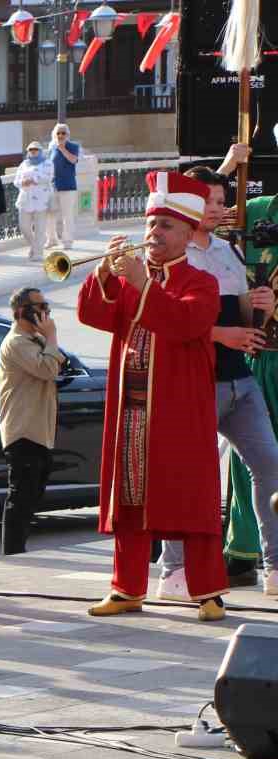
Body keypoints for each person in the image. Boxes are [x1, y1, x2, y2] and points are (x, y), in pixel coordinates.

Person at [78, 170, 228, 621]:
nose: (152, 234)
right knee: (128, 495)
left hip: (180, 410)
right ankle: (126, 588)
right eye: (150, 225)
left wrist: (142, 284)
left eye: (164, 226)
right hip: (131, 409)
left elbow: (184, 325)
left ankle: (209, 592)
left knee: (191, 496)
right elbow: (92, 315)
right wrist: (103, 276)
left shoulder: (202, 283)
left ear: (187, 233)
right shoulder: (130, 279)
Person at [155, 164, 278, 599]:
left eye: (222, 202)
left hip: (239, 380)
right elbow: (162, 321)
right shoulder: (171, 251)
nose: (217, 209)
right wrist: (221, 334)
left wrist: (257, 306)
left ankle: (274, 568)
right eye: (208, 201)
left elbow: (241, 316)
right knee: (188, 474)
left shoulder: (229, 250)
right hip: (194, 381)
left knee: (270, 466)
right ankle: (174, 568)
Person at [218, 143, 278, 594]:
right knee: (248, 463)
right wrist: (228, 165)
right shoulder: (256, 208)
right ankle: (242, 552)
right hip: (255, 357)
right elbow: (200, 220)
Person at [0, 286, 68, 555]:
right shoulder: (16, 342)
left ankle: (18, 549)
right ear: (20, 312)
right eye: (39, 308)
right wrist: (52, 336)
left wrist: (48, 341)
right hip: (23, 431)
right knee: (20, 497)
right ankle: (13, 554)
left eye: (46, 307)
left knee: (31, 497)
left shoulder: (36, 341)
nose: (45, 314)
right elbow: (48, 368)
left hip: (39, 431)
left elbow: (59, 362)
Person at [15, 142, 55, 262]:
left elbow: (49, 177)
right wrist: (23, 183)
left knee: (40, 228)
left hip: (41, 199)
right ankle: (34, 246)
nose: (33, 151)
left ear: (40, 150)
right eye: (31, 149)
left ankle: (38, 252)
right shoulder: (24, 164)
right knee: (24, 227)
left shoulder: (48, 163)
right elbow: (16, 181)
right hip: (25, 199)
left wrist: (34, 179)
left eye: (36, 149)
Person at [49, 123, 83, 249]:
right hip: (54, 186)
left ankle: (67, 241)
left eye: (63, 133)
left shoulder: (73, 146)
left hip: (68, 186)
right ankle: (52, 239)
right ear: (54, 134)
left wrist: (63, 149)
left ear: (67, 135)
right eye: (58, 133)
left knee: (67, 215)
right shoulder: (52, 148)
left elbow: (73, 160)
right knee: (51, 214)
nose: (60, 135)